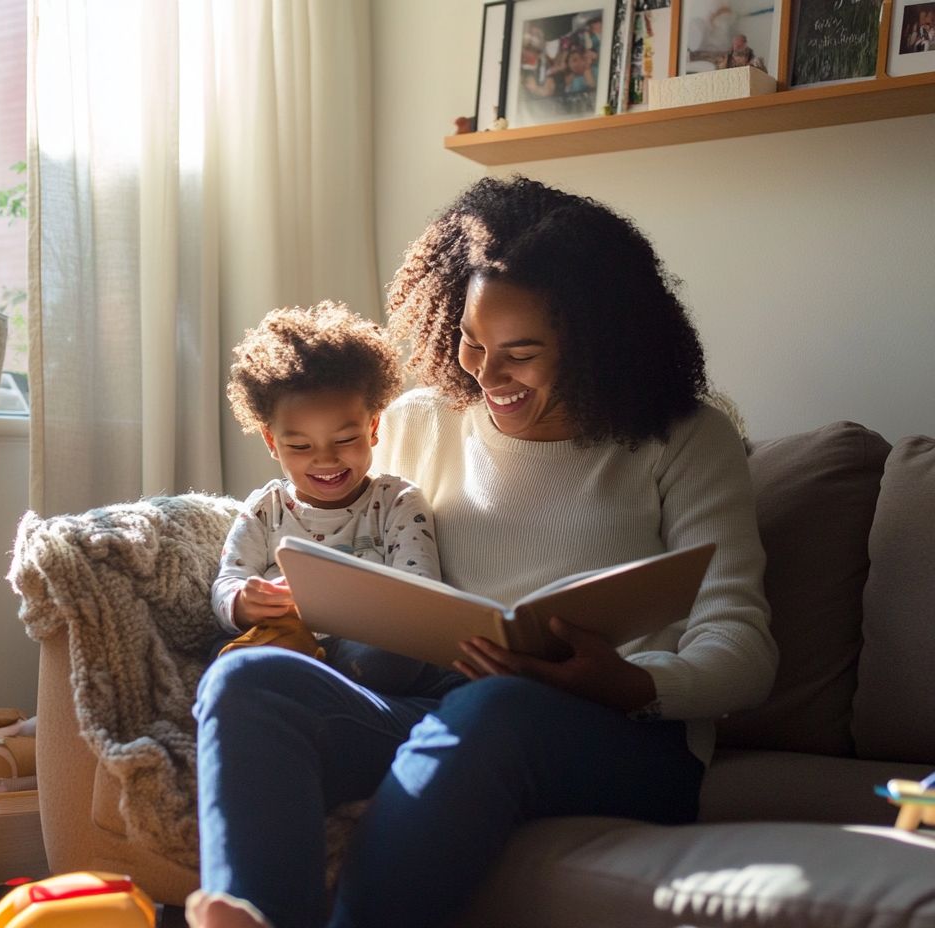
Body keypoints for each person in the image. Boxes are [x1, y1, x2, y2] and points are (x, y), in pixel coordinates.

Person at [186, 176, 778, 928]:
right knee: (249, 678)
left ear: (596, 346)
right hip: (438, 706)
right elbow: (336, 536)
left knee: (495, 704)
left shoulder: (684, 440)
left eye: (521, 354)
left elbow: (743, 651)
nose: (485, 373)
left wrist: (628, 683)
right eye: (471, 339)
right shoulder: (420, 423)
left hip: (626, 740)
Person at [210, 301, 449, 697]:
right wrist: (242, 602)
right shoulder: (265, 508)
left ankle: (318, 689)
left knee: (391, 657)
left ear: (373, 427)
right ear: (272, 442)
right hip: (289, 639)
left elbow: (419, 596)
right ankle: (300, 680)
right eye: (300, 445)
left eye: (345, 439)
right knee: (230, 656)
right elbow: (228, 581)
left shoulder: (397, 502)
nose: (325, 459)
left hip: (367, 647)